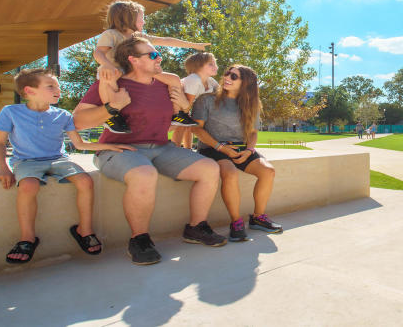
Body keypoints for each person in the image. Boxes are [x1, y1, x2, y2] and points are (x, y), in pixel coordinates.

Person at [73, 36, 226, 265]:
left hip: (162, 148)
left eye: (158, 53)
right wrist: (112, 107)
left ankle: (196, 227)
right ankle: (140, 239)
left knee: (209, 168)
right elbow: (78, 122)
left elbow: (180, 115)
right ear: (133, 60)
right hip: (118, 150)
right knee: (145, 174)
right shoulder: (111, 83)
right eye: (153, 55)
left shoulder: (166, 84)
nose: (159, 58)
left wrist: (184, 105)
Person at [0, 68, 135, 264]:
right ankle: (27, 238)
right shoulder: (11, 112)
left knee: (85, 181)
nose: (58, 90)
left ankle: (84, 230)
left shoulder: (63, 115)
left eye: (58, 86)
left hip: (58, 159)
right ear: (30, 90)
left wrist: (110, 145)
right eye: (51, 86)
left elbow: (80, 144)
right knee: (28, 186)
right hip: (26, 161)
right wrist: (1, 168)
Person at [192, 64, 282, 243]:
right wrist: (221, 147)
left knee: (268, 171)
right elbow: (196, 129)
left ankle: (258, 217)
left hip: (242, 148)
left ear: (246, 84)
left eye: (234, 77)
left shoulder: (251, 104)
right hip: (213, 148)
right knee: (230, 173)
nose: (227, 77)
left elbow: (253, 132)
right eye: (227, 73)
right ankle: (236, 222)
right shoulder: (206, 100)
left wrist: (249, 150)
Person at [94, 0, 209, 134]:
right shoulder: (111, 34)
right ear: (128, 18)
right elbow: (99, 52)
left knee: (174, 79)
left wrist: (194, 45)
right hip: (116, 70)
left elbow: (165, 40)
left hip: (138, 70)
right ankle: (112, 116)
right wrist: (106, 65)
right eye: (141, 18)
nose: (144, 22)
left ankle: (176, 114)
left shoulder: (139, 37)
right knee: (108, 76)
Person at [171, 52, 219, 149]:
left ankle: (187, 150)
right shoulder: (194, 79)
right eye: (211, 64)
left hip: (185, 105)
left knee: (188, 122)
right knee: (183, 122)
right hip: (172, 103)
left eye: (215, 63)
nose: (216, 67)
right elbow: (185, 107)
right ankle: (174, 150)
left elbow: (223, 95)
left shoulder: (211, 81)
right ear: (198, 67)